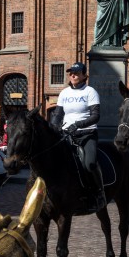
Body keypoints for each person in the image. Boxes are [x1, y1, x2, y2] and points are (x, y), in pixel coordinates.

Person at [51, 62, 105, 211]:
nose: (72, 75)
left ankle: (99, 193)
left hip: (87, 133)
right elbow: (58, 115)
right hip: (67, 133)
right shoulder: (64, 93)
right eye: (71, 73)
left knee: (90, 164)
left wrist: (79, 124)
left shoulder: (90, 92)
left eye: (76, 72)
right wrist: (53, 126)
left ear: (84, 75)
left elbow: (96, 116)